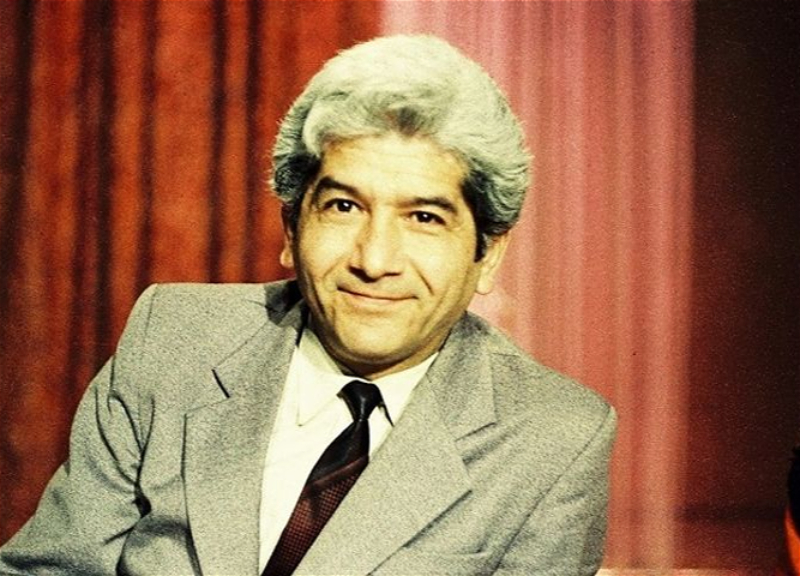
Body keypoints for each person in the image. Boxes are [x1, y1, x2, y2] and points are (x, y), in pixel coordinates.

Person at [0, 35, 616, 575]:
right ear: (291, 230)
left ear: (488, 255)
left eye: (424, 217)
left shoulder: (555, 439)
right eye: (343, 207)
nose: (374, 259)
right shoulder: (172, 339)